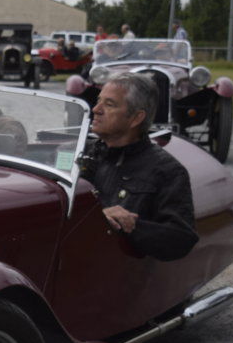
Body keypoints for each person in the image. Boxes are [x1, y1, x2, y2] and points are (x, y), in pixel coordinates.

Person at [80, 72, 197, 261]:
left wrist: (131, 225)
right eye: (98, 101)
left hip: (115, 273)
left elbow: (181, 238)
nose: (96, 109)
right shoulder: (79, 152)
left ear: (135, 118)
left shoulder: (166, 170)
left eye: (109, 104)